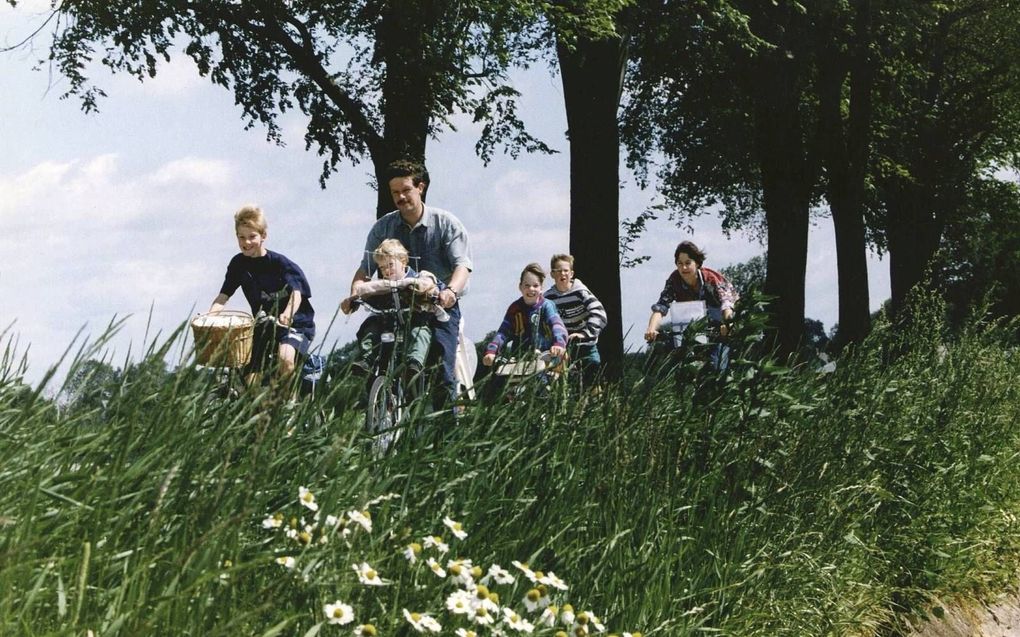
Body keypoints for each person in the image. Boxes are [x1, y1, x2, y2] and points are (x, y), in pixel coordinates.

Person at [345, 160, 472, 403]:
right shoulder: (383, 227)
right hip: (395, 303)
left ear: (420, 187)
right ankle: (378, 413)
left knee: (442, 361)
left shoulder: (445, 223)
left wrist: (451, 293)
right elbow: (365, 270)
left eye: (406, 190)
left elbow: (462, 265)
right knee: (374, 346)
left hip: (435, 304)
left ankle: (445, 429)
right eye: (395, 193)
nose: (401, 197)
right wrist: (354, 295)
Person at [209, 205, 315, 382]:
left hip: (294, 324)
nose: (246, 242)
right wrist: (210, 318)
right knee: (249, 378)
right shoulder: (238, 264)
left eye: (252, 237)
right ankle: (264, 408)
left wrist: (287, 314)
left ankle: (289, 405)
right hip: (264, 325)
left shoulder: (280, 263)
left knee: (285, 358)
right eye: (241, 237)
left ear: (263, 236)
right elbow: (223, 296)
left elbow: (297, 293)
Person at [341, 239, 447, 379]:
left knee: (419, 333)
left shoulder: (418, 277)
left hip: (413, 321)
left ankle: (414, 364)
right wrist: (354, 300)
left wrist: (429, 293)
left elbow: (430, 285)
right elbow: (365, 292)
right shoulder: (381, 286)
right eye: (382, 267)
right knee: (370, 326)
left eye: (390, 265)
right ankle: (367, 360)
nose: (386, 270)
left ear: (403, 261)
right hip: (388, 326)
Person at [643, 240, 737, 369]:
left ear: (697, 263)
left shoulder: (711, 278)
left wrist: (727, 324)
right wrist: (651, 329)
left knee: (717, 366)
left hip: (720, 324)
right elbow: (661, 306)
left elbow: (726, 305)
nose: (684, 268)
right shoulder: (674, 280)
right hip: (693, 328)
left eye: (688, 263)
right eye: (680, 264)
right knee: (681, 365)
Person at [482, 263, 568, 368]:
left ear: (541, 288)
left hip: (547, 358)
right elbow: (503, 332)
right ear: (520, 287)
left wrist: (559, 344)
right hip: (520, 361)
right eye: (527, 285)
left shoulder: (547, 306)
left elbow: (557, 326)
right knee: (501, 377)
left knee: (543, 381)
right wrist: (492, 350)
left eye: (535, 285)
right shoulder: (514, 309)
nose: (531, 289)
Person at [544, 253, 607, 387]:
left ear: (571, 273)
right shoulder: (548, 298)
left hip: (586, 345)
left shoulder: (581, 292)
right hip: (563, 348)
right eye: (558, 271)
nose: (563, 274)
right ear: (552, 274)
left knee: (593, 382)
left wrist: (585, 334)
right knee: (561, 384)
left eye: (566, 271)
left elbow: (600, 314)